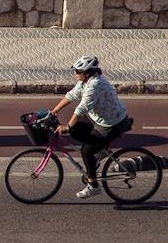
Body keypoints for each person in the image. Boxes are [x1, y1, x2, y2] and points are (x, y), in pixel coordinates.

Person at [49, 55, 130, 199]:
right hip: (98, 119)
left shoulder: (94, 86)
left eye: (78, 72)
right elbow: (72, 95)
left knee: (86, 150)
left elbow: (81, 109)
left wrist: (67, 127)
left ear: (86, 73)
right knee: (77, 130)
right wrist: (54, 110)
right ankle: (100, 152)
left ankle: (93, 186)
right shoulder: (86, 81)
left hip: (112, 123)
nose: (75, 74)